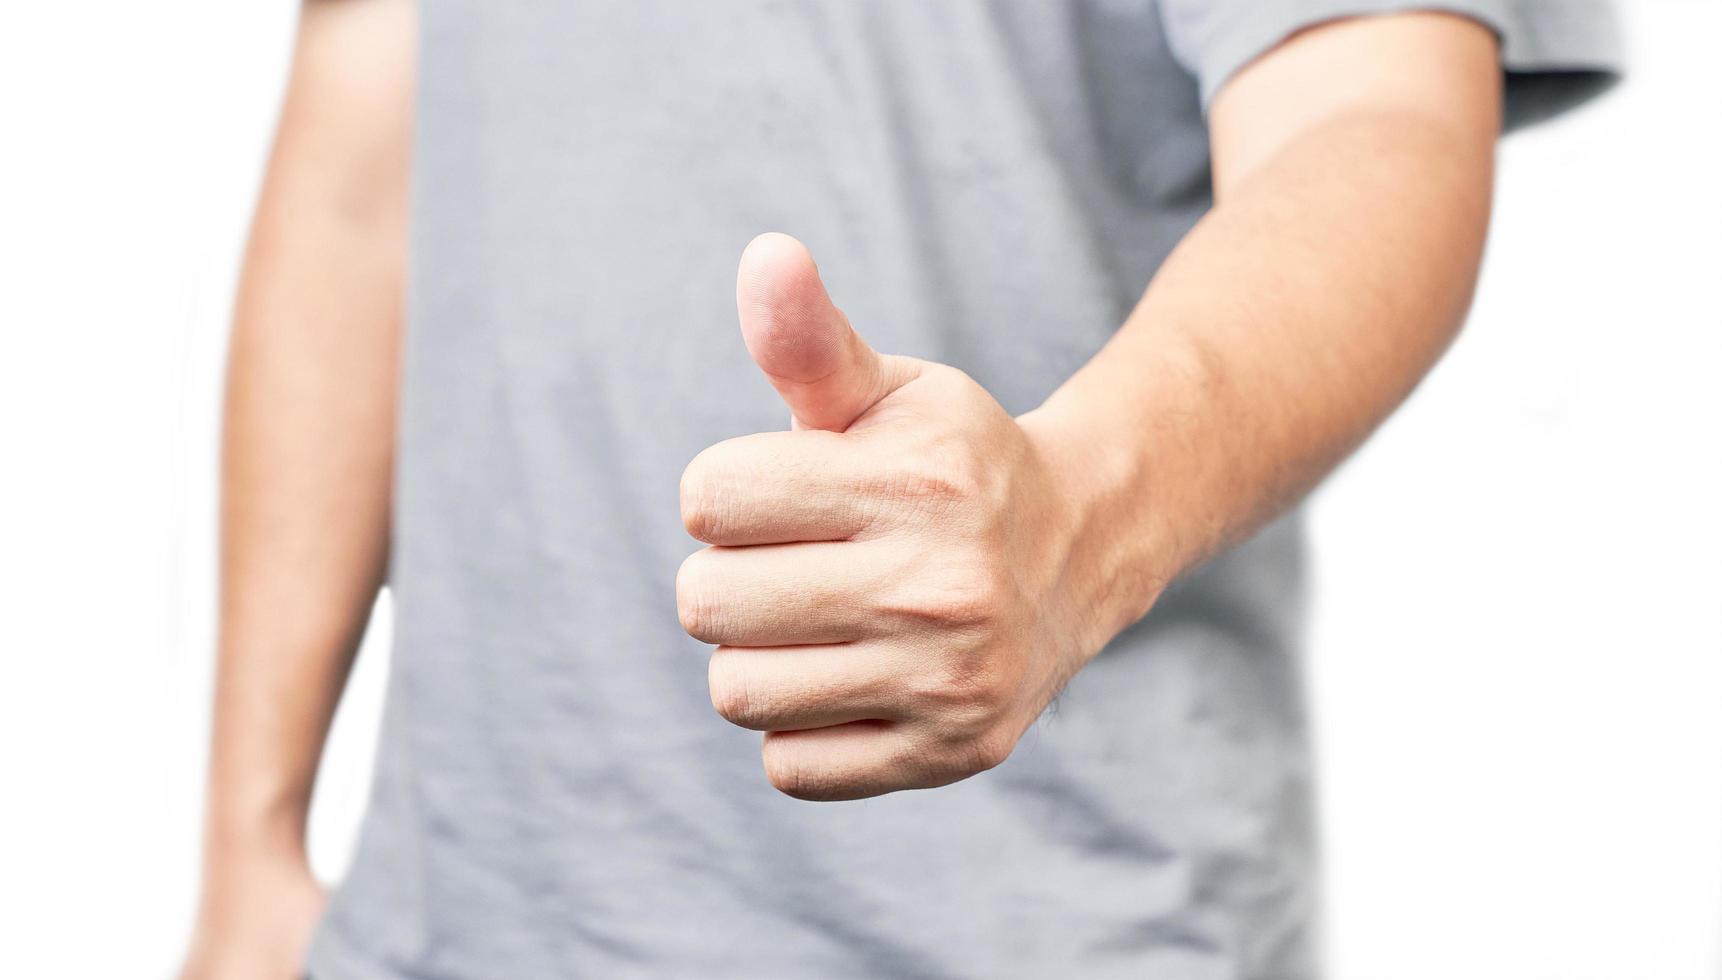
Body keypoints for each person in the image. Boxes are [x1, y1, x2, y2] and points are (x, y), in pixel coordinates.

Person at [178, 1, 1619, 977]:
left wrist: (1074, 521)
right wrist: (251, 846)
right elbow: (360, 158)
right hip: (454, 923)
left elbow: (1367, 114)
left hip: (1029, 927)